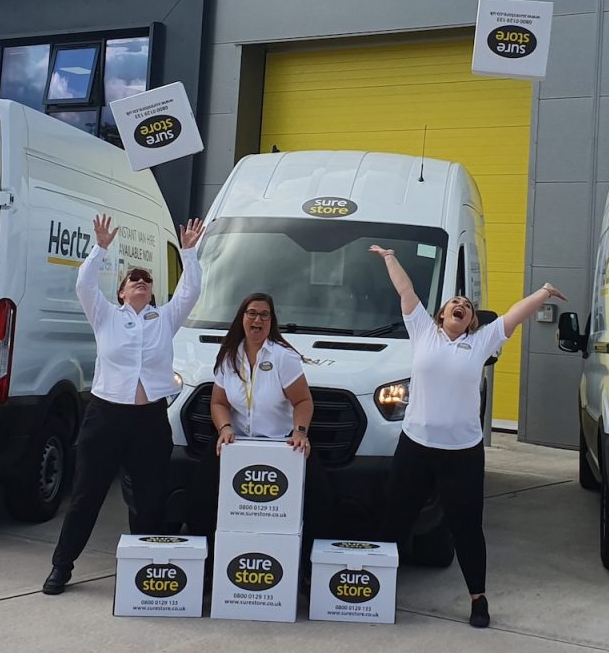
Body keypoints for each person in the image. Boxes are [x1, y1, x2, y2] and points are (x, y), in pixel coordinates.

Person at [369, 244, 567, 629]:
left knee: (466, 526)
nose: (461, 305)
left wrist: (543, 292)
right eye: (454, 303)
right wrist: (391, 257)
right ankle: (377, 588)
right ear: (442, 314)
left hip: (461, 453)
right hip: (415, 447)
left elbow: (514, 315)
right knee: (396, 518)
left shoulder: (481, 341)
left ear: (471, 321)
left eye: (467, 306)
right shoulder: (423, 331)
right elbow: (406, 290)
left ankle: (478, 598)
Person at [42, 212, 205, 595]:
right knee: (86, 496)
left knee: (148, 500)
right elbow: (84, 284)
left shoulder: (164, 319)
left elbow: (190, 291)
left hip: (149, 421)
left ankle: (144, 571)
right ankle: (61, 567)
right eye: (134, 279)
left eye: (147, 280)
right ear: (121, 292)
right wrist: (100, 249)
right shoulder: (105, 317)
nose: (142, 282)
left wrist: (189, 253)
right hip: (106, 418)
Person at [187, 292, 334, 573]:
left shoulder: (283, 357)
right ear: (242, 318)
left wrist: (300, 432)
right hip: (237, 444)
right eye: (252, 313)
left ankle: (306, 573)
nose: (258, 320)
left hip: (281, 446)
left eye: (264, 315)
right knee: (200, 498)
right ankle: (207, 570)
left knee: (320, 502)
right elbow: (218, 403)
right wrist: (225, 428)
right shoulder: (228, 356)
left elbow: (303, 401)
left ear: (271, 321)